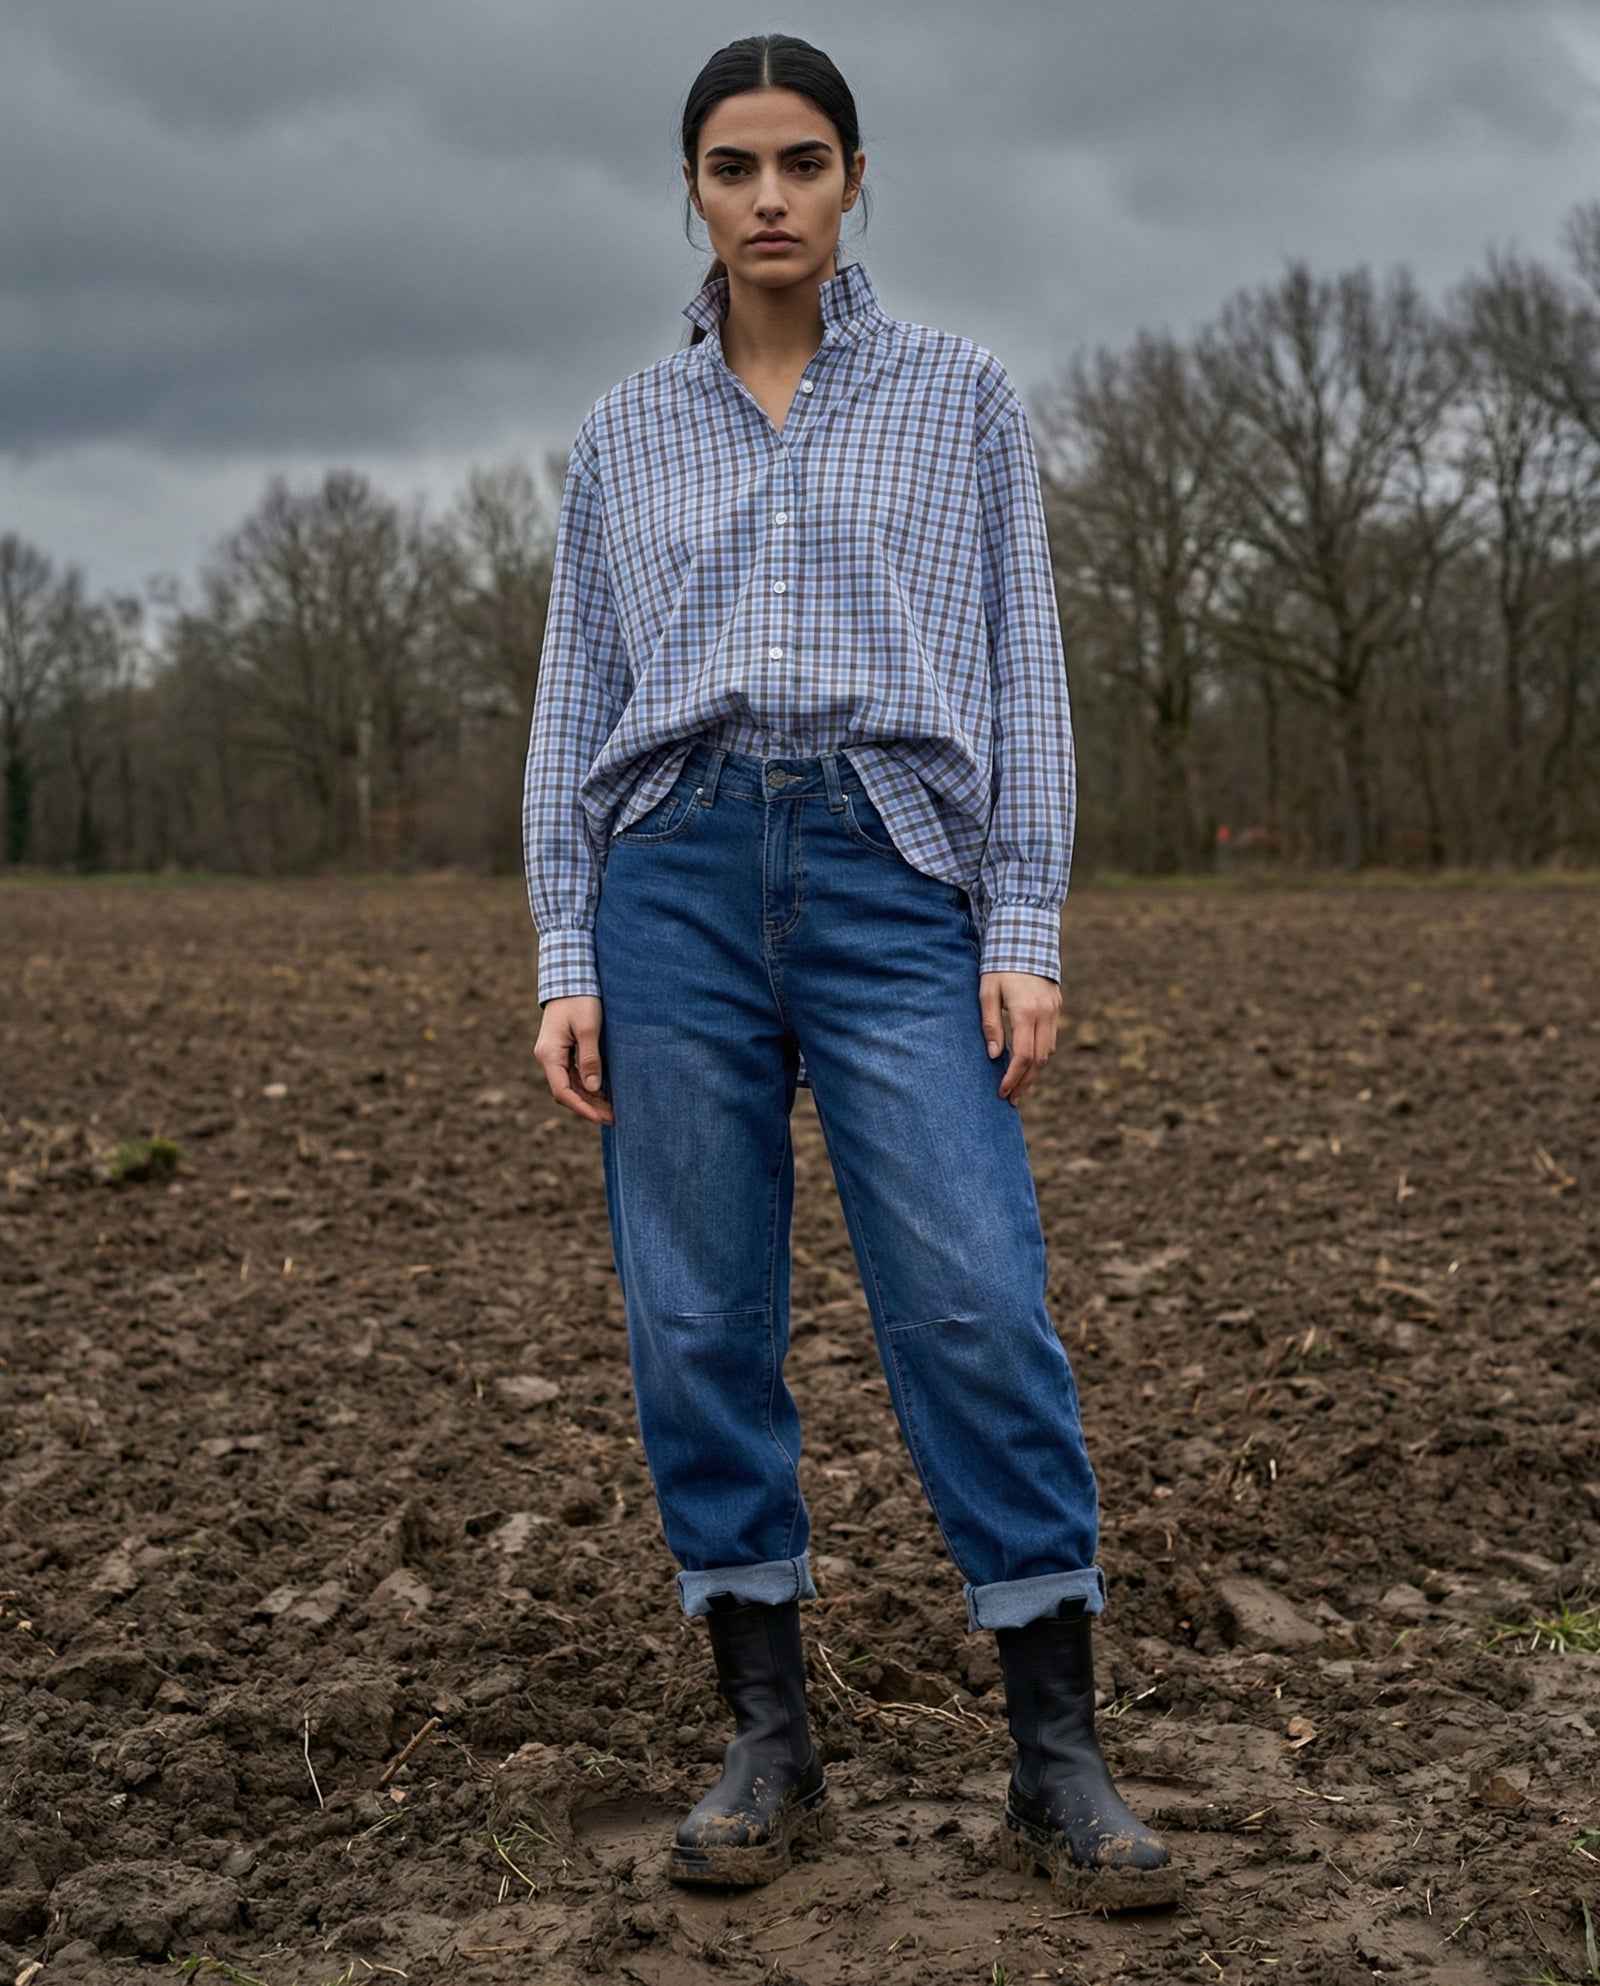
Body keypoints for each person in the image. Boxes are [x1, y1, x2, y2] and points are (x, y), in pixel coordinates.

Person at [524, 32, 1179, 1911]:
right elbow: (579, 697)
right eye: (734, 168)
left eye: (803, 161)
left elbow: (1021, 676)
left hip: (901, 873)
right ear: (694, 193)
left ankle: (1056, 1757)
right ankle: (769, 1740)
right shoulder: (625, 431)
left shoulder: (962, 399)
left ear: (858, 175)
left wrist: (1027, 927)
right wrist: (570, 944)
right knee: (700, 1316)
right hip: (675, 880)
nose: (770, 197)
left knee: (974, 1294)